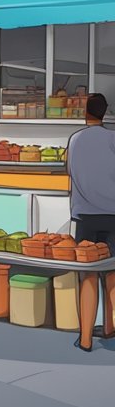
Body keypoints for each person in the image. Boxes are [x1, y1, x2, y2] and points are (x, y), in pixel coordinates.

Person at [67, 93, 115, 352]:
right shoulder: (113, 139)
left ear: (84, 112)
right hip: (113, 215)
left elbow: (70, 171)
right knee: (113, 274)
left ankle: (85, 338)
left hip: (85, 216)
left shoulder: (75, 140)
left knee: (87, 276)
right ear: (105, 113)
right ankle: (109, 328)